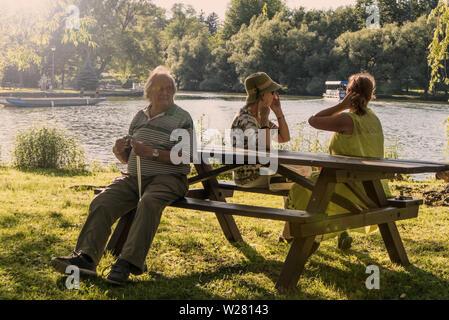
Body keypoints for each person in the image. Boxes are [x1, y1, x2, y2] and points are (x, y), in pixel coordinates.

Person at [51, 66, 195, 285]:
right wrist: (119, 151)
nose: (165, 93)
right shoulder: (140, 116)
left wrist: (152, 153)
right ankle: (87, 258)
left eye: (169, 88)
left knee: (148, 202)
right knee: (103, 201)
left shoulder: (182, 118)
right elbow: (129, 159)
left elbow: (185, 157)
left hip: (169, 179)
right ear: (149, 91)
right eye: (160, 88)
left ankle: (126, 263)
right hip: (134, 178)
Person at [281, 73, 393, 253]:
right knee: (319, 185)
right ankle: (331, 234)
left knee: (302, 188)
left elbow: (313, 120)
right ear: (371, 95)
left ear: (349, 92)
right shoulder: (374, 119)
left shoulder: (348, 119)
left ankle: (303, 237)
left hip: (350, 188)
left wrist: (341, 106)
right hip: (373, 189)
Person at [230, 72, 311, 190]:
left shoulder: (256, 116)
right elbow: (265, 149)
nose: (275, 95)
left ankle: (291, 205)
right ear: (262, 95)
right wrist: (264, 120)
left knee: (306, 169)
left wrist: (278, 111)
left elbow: (284, 138)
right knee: (301, 178)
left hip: (262, 169)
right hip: (249, 177)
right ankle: (292, 206)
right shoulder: (245, 120)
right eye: (272, 92)